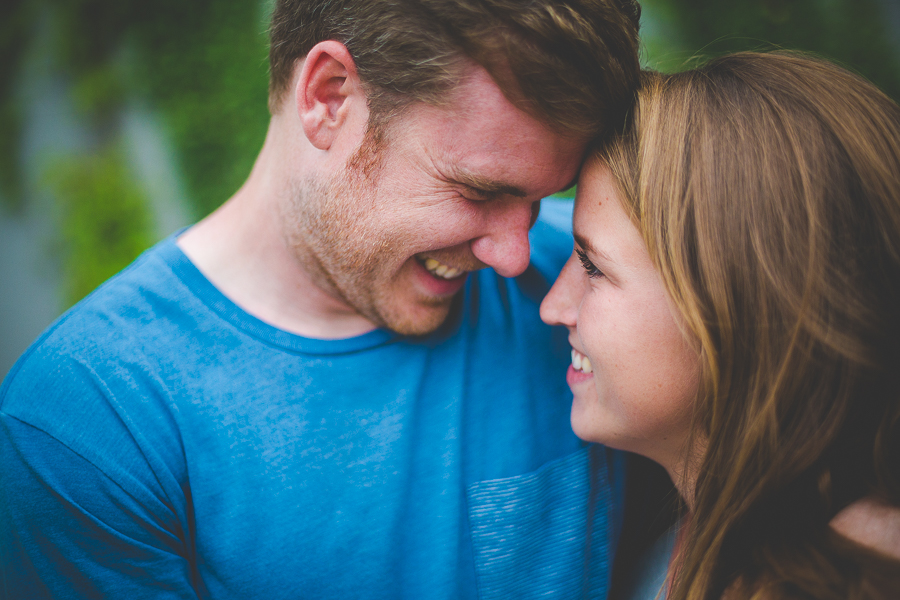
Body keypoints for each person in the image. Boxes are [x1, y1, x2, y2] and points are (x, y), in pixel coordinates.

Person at [0, 1, 642, 598]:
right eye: (479, 191)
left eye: (540, 197)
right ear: (329, 97)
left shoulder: (609, 287)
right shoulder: (95, 424)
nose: (515, 256)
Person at [541, 52, 900, 600]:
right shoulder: (681, 521)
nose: (552, 307)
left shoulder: (843, 580)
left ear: (738, 301)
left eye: (593, 267)